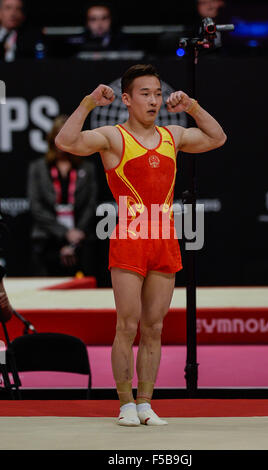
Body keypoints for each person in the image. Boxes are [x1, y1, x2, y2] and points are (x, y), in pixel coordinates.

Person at [55, 64, 226, 426]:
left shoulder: (174, 135)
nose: (153, 100)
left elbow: (217, 137)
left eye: (158, 94)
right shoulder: (113, 138)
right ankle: (125, 403)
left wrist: (192, 107)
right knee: (127, 325)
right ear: (128, 100)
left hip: (164, 238)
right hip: (130, 238)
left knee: (154, 327)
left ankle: (146, 402)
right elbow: (66, 142)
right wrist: (88, 103)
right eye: (145, 94)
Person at [27, 115, 98, 277]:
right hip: (47, 238)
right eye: (59, 136)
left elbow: (90, 205)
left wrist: (75, 235)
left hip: (81, 238)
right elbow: (36, 207)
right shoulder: (38, 168)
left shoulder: (87, 168)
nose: (62, 141)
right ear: (52, 139)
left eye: (67, 136)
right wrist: (65, 233)